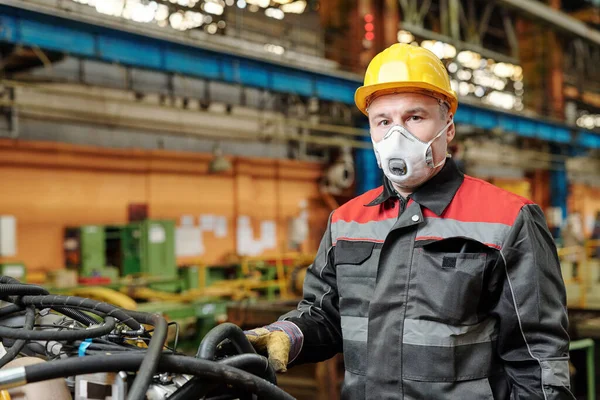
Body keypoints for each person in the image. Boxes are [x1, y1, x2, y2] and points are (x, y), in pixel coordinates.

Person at [245, 43, 574, 399]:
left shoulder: (509, 219)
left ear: (447, 127)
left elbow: (538, 357)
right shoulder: (346, 220)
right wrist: (290, 334)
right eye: (383, 121)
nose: (395, 135)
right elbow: (328, 315)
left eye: (414, 118)